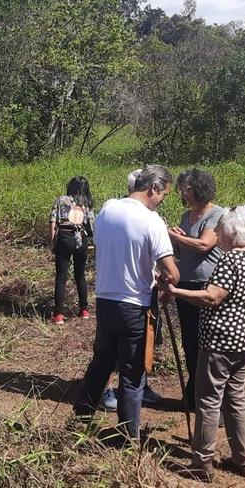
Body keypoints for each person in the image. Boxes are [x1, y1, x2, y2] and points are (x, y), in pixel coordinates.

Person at [74, 165, 179, 444]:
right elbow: (171, 272)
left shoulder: (108, 208)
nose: (162, 200)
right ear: (153, 188)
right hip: (134, 306)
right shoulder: (151, 220)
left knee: (101, 363)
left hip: (106, 300)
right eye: (164, 194)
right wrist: (166, 277)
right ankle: (127, 437)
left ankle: (80, 418)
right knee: (132, 374)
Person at [164, 205, 245, 480]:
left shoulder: (229, 260)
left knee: (208, 400)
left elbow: (211, 296)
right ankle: (242, 458)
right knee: (236, 400)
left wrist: (175, 291)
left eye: (221, 230)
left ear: (231, 233)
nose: (218, 234)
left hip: (221, 341)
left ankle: (202, 461)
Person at [167, 169, 224, 410]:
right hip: (185, 284)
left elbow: (204, 245)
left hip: (208, 286)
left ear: (200, 188)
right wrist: (175, 239)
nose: (183, 192)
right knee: (189, 340)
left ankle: (209, 396)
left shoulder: (218, 215)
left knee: (208, 341)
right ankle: (194, 390)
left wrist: (175, 237)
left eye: (187, 188)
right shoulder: (185, 215)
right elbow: (181, 253)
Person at [49, 176, 95, 324]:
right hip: (81, 238)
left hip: (64, 236)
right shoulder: (86, 204)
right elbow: (91, 225)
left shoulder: (61, 200)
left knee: (61, 277)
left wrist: (53, 241)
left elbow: (53, 221)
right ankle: (84, 310)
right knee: (80, 275)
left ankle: (58, 314)